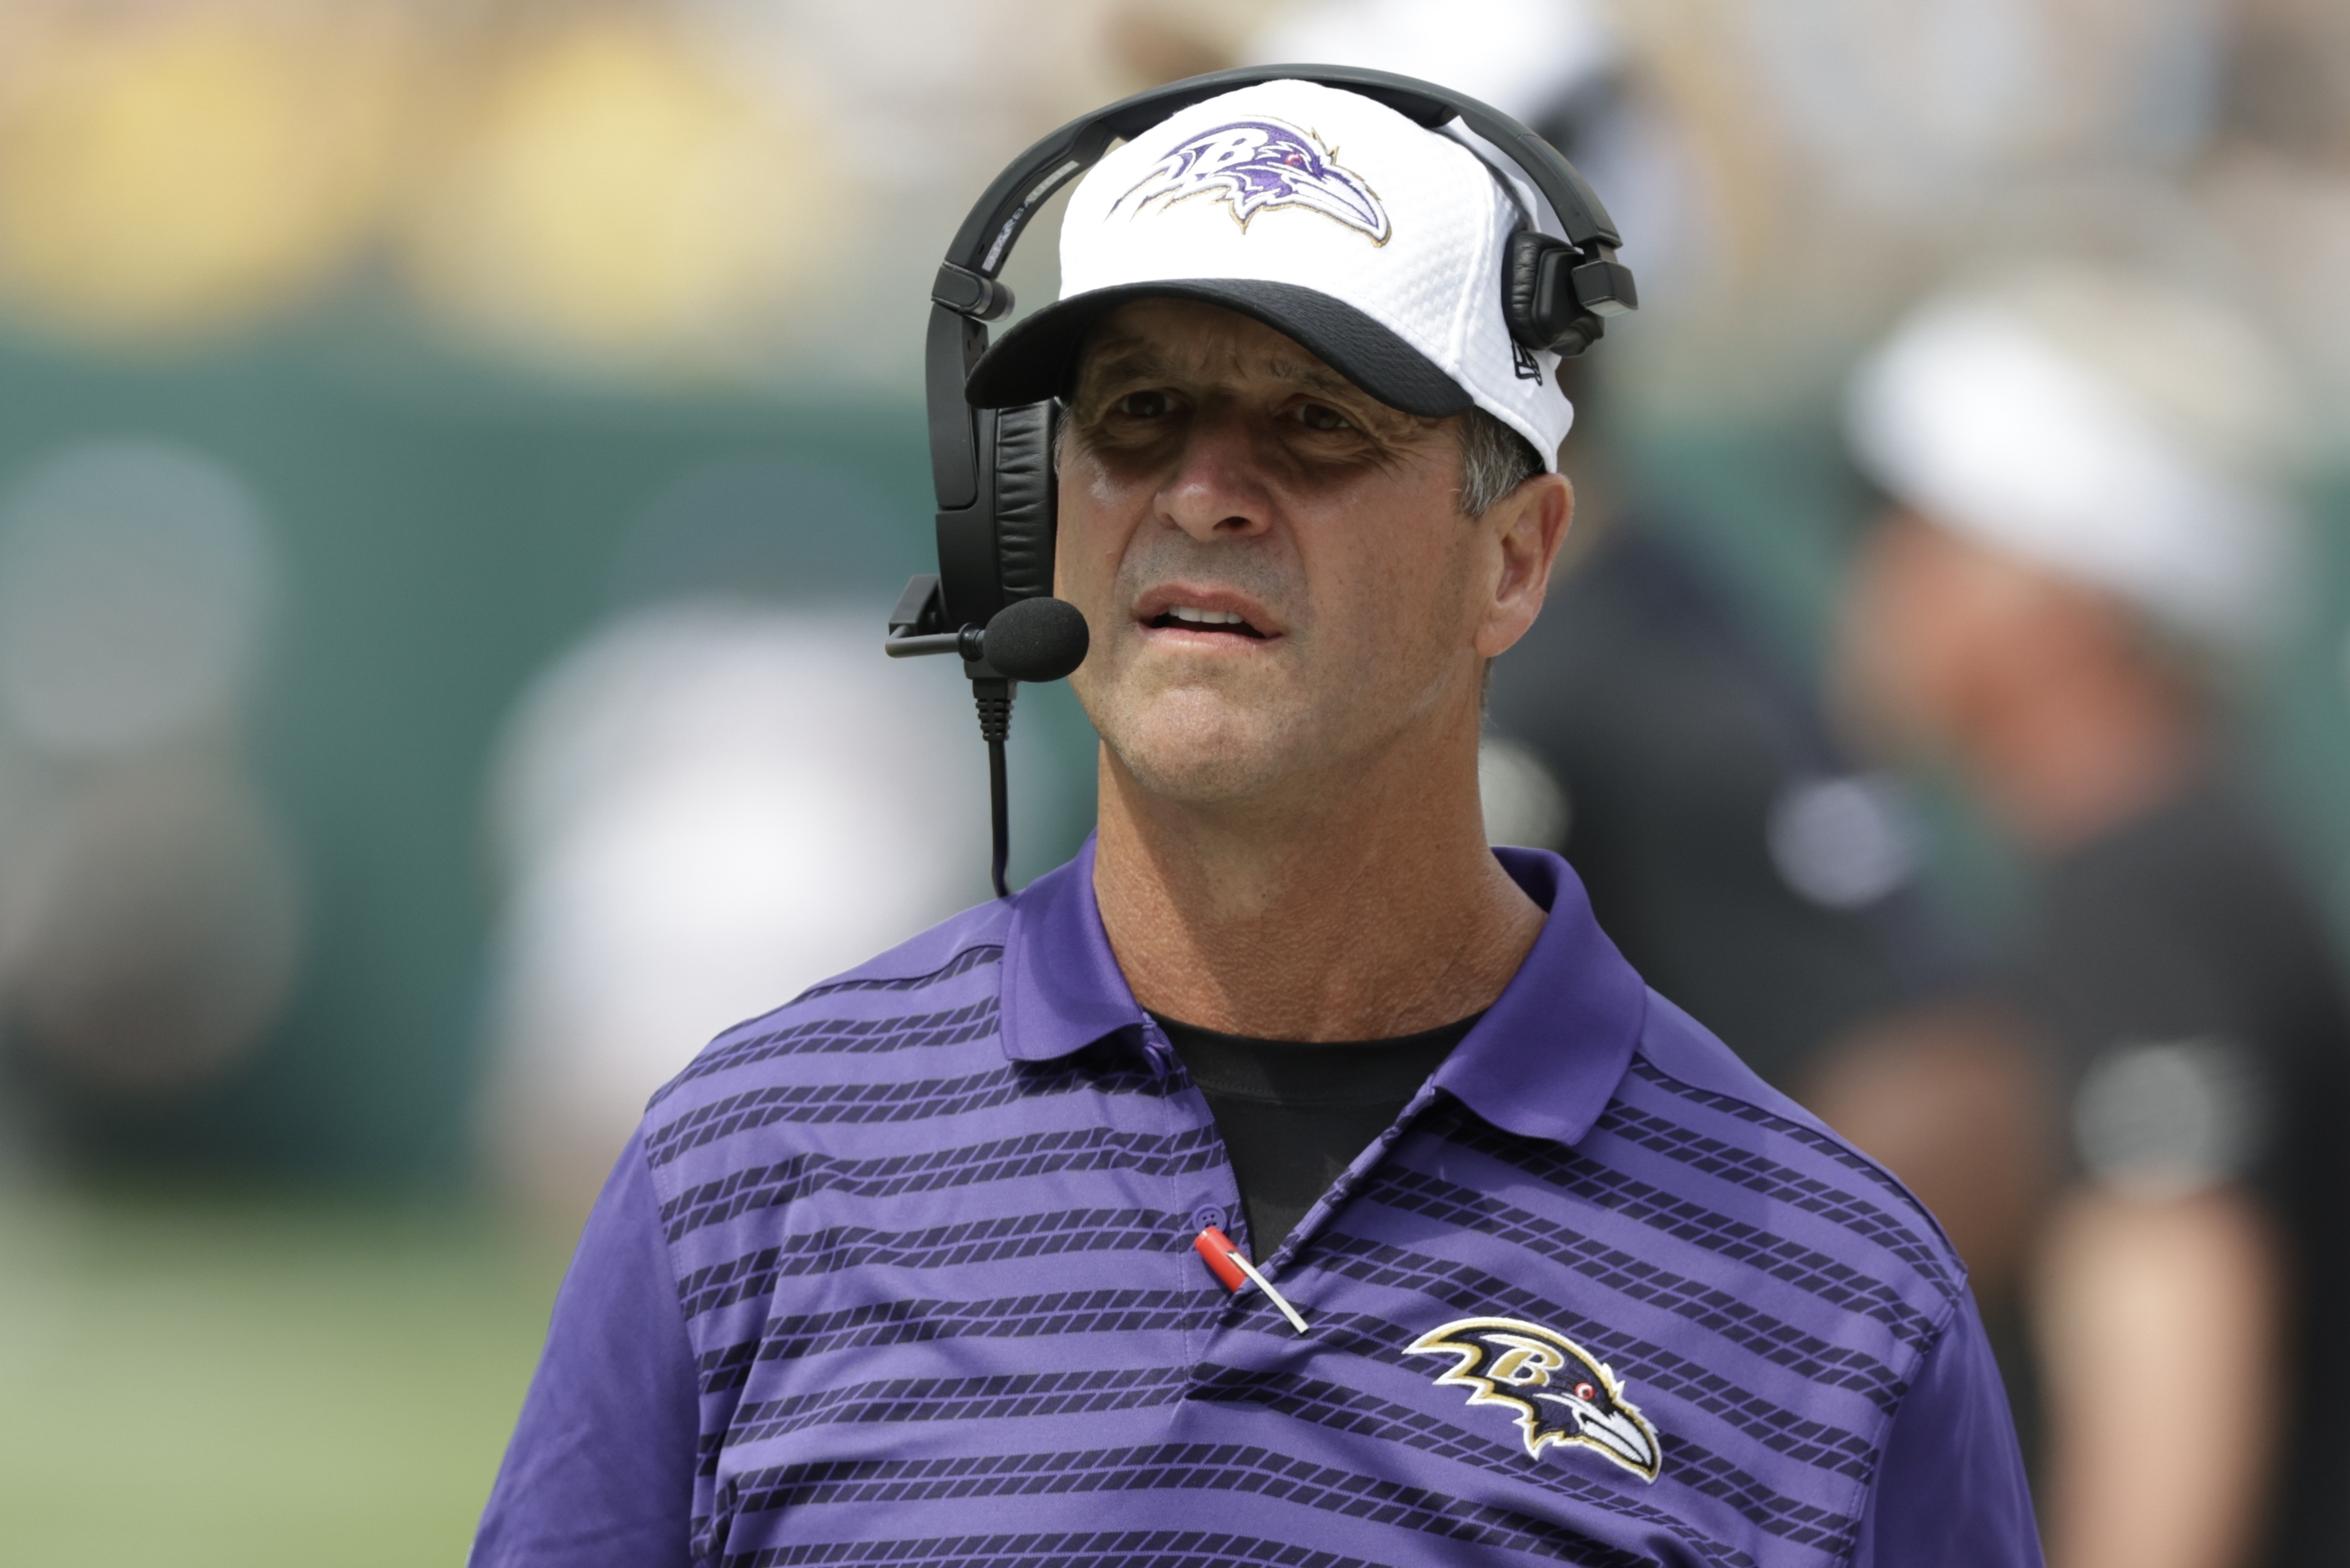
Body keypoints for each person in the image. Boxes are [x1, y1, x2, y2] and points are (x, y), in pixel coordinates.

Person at [471, 77, 2040, 1567]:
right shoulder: (749, 1174)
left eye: (1316, 424)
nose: (1205, 493)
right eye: (1138, 414)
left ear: (1513, 556)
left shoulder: (1840, 1299)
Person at [1841, 263, 2350, 1568]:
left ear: (2054, 581)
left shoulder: (2147, 898)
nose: (1874, 562)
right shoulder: (2177, 866)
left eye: (1910, 515)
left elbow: (2172, 1386)